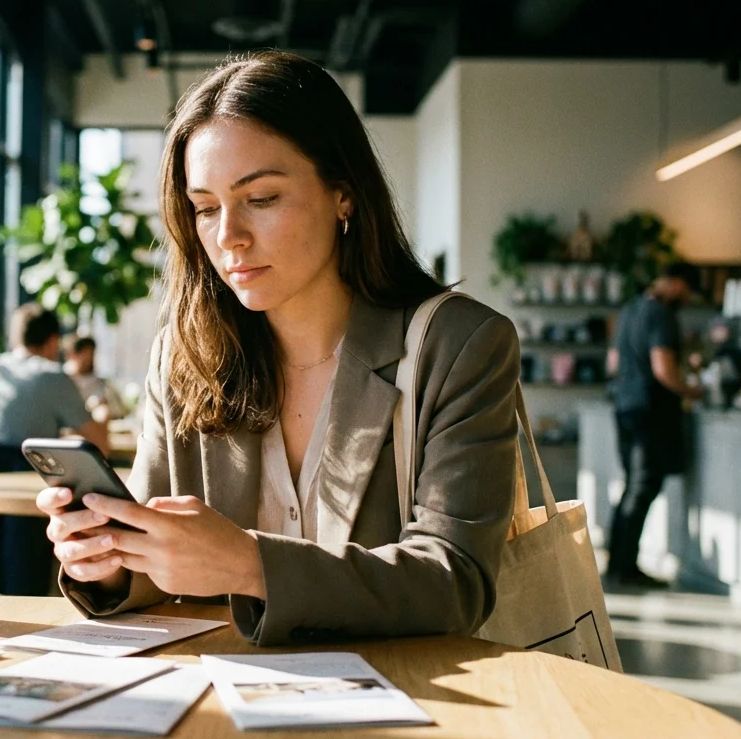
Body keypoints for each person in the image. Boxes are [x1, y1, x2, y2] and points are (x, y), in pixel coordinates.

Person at [37, 51, 522, 646]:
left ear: (343, 194)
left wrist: (250, 563)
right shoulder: (184, 355)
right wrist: (111, 561)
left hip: (409, 712)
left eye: (261, 199)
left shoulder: (458, 345)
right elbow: (157, 561)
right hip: (227, 706)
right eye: (206, 208)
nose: (228, 237)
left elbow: (457, 579)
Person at [605, 263, 703, 588]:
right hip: (650, 410)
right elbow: (664, 369)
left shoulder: (630, 310)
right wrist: (691, 389)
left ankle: (616, 563)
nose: (686, 299)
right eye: (687, 292)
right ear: (676, 284)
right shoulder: (661, 314)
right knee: (643, 485)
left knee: (633, 485)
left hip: (625, 406)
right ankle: (624, 568)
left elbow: (613, 363)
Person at [0, 303, 110, 454]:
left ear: (15, 338)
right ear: (53, 341)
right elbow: (100, 447)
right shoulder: (53, 376)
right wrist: (103, 411)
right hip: (22, 472)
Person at [64, 336, 132, 422]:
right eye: (85, 355)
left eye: (91, 355)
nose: (89, 360)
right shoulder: (64, 377)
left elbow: (102, 402)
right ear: (75, 355)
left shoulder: (98, 381)